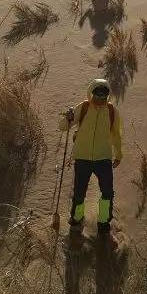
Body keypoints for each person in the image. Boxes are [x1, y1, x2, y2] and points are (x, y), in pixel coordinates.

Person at [59, 78, 122, 236]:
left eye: (103, 96)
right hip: (82, 158)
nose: (100, 99)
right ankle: (77, 218)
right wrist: (67, 118)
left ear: (107, 96)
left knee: (107, 193)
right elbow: (63, 127)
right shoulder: (84, 107)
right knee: (79, 192)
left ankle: (103, 222)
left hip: (103, 159)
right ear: (91, 93)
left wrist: (119, 154)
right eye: (97, 95)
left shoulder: (112, 111)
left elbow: (116, 135)